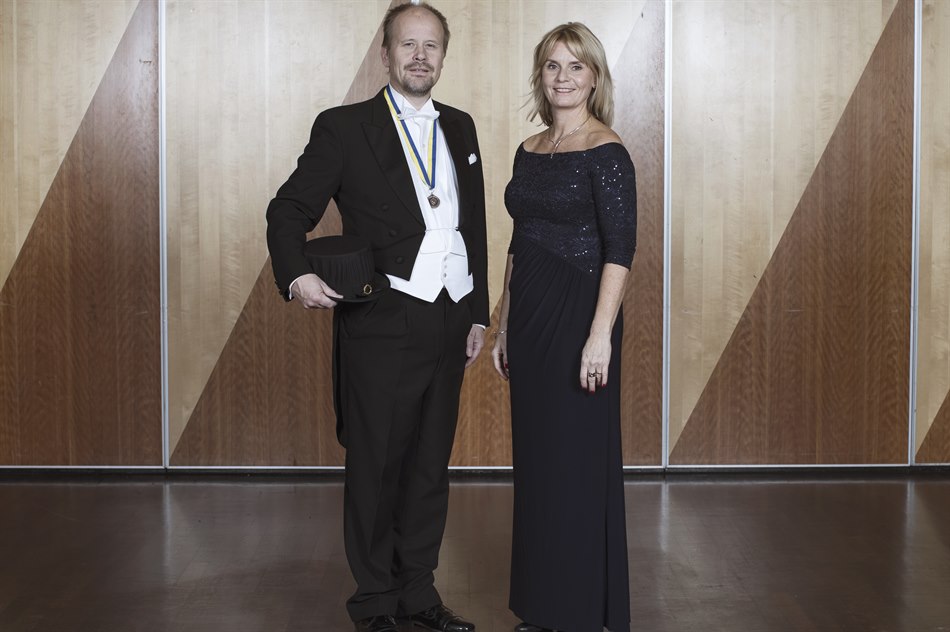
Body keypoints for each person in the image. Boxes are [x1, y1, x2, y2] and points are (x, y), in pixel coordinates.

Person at [265, 4, 488, 632]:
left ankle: (418, 594)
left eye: (431, 45)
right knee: (377, 465)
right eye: (407, 44)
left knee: (429, 466)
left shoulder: (461, 126)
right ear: (385, 54)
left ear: (443, 55)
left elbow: (472, 224)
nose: (420, 56)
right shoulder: (344, 127)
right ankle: (375, 604)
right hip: (385, 320)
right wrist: (296, 275)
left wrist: (477, 312)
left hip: (450, 317)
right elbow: (288, 209)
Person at [491, 22, 636, 632]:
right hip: (529, 316)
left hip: (581, 317)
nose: (563, 77)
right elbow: (518, 241)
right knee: (538, 463)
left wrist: (600, 335)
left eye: (576, 66)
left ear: (594, 78)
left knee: (575, 462)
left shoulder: (608, 150)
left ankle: (577, 610)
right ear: (540, 75)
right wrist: (503, 324)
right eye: (553, 65)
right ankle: (541, 607)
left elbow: (620, 250)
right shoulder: (529, 149)